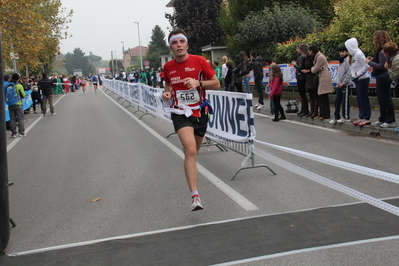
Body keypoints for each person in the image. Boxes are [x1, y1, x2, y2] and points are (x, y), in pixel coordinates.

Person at [162, 28, 220, 211]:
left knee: (194, 151)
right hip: (180, 112)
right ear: (171, 47)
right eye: (174, 42)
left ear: (186, 44)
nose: (178, 45)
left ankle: (188, 151)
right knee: (191, 150)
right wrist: (166, 94)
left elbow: (217, 83)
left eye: (181, 41)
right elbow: (168, 86)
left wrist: (199, 83)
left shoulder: (200, 61)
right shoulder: (168, 67)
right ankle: (195, 197)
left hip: (200, 111)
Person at [367, 30, 396, 128]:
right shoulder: (382, 51)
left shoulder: (382, 51)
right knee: (381, 99)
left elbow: (382, 66)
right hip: (381, 77)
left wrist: (369, 62)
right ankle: (383, 118)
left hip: (383, 76)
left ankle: (390, 119)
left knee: (385, 99)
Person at [345, 37, 372, 127]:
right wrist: (354, 76)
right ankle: (361, 116)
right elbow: (352, 67)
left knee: (363, 98)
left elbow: (367, 66)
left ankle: (366, 117)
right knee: (359, 99)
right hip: (357, 79)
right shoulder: (352, 55)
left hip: (363, 78)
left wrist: (358, 74)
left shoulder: (359, 54)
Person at [309, 44, 333, 120]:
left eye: (309, 51)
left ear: (312, 51)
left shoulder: (320, 57)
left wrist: (313, 69)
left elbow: (314, 69)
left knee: (323, 96)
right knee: (321, 96)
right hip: (321, 76)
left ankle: (325, 114)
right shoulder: (317, 57)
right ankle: (322, 113)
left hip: (324, 77)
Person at [330, 45, 351, 124]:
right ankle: (336, 116)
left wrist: (344, 82)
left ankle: (346, 116)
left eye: (343, 52)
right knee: (337, 101)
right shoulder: (341, 61)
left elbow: (349, 73)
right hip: (339, 84)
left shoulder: (348, 60)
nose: (341, 53)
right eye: (340, 52)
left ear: (347, 52)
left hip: (345, 84)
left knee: (345, 102)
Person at [383, 42, 399, 131]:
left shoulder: (396, 60)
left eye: (384, 51)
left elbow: (394, 76)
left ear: (388, 52)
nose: (383, 53)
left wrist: (388, 68)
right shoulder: (394, 58)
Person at [7, 73, 26, 137]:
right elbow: (23, 95)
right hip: (18, 104)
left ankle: (13, 133)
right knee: (20, 118)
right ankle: (21, 132)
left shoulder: (9, 85)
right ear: (18, 78)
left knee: (12, 119)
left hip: (10, 104)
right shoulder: (19, 85)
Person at [293, 44, 309, 117]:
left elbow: (300, 67)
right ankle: (304, 110)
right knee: (302, 95)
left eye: (297, 48)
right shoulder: (302, 56)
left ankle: (305, 110)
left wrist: (294, 64)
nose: (296, 50)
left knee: (302, 94)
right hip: (301, 77)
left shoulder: (302, 56)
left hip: (301, 77)